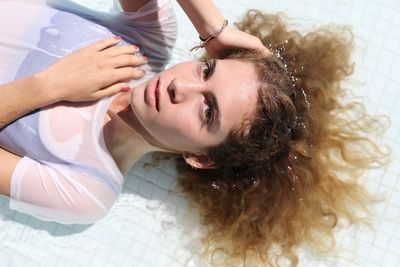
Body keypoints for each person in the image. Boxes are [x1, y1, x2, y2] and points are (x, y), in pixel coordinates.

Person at [0, 0, 390, 266]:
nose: (180, 87)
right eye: (207, 70)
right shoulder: (148, 41)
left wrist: (47, 87)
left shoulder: (84, 189)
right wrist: (212, 25)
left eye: (207, 111)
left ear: (201, 157)